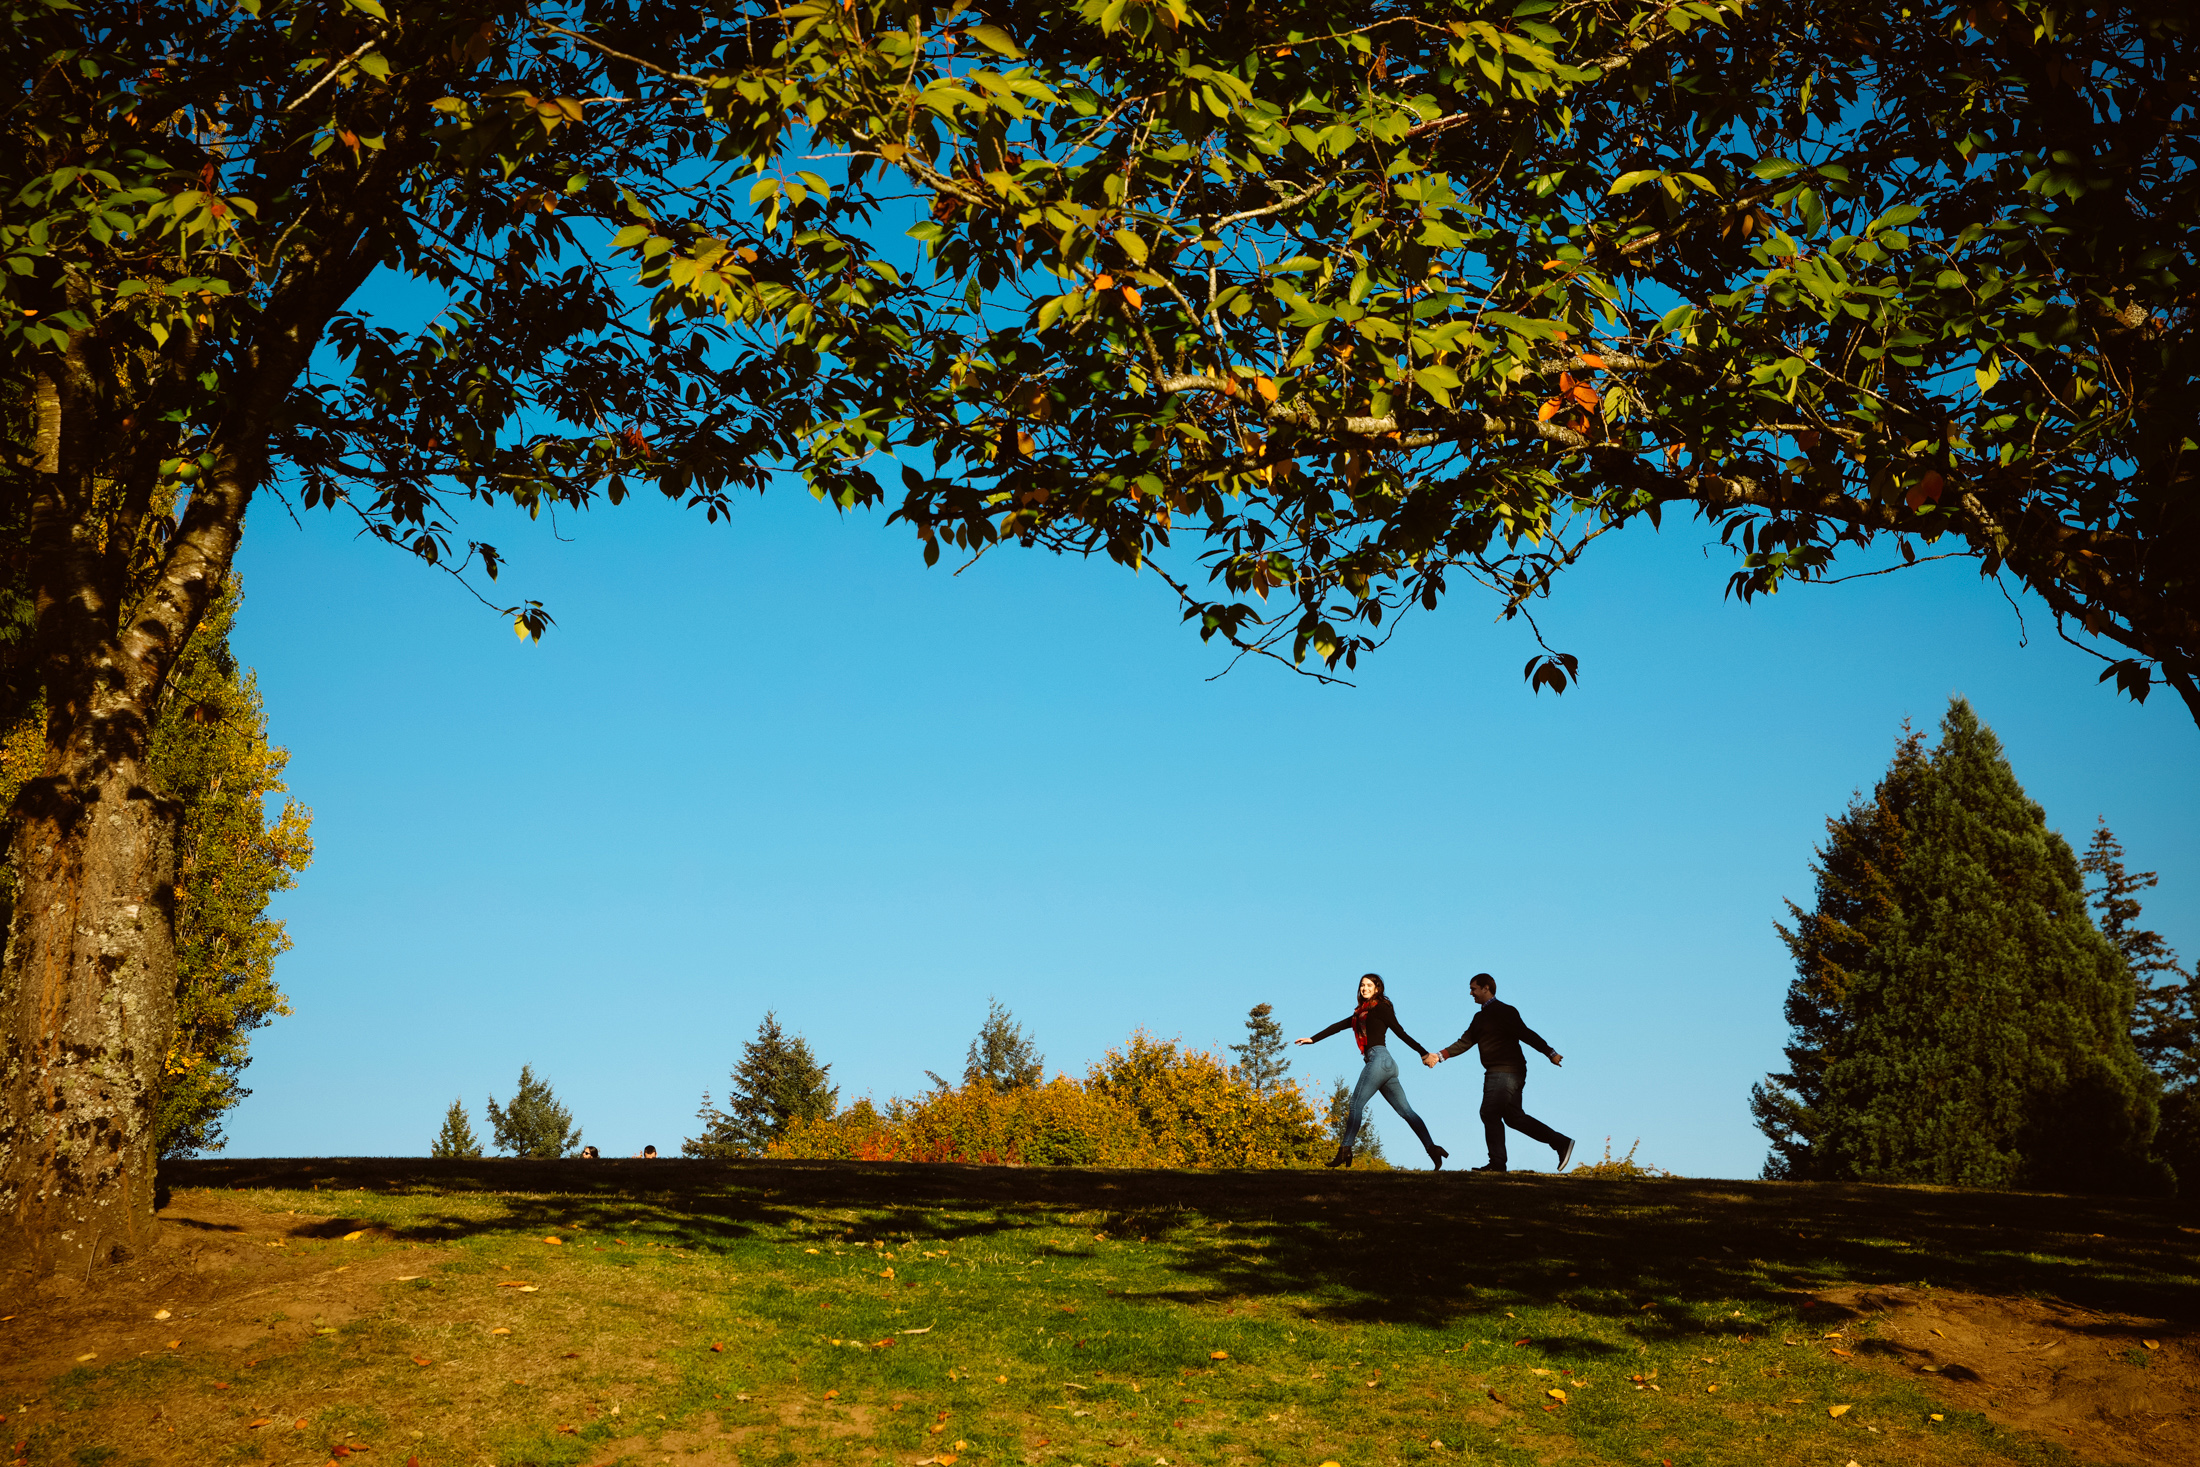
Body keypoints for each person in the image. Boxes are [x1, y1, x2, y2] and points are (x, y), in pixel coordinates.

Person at [1423, 971, 1573, 1174]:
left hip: (1506, 1071)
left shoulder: (1505, 1011)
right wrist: (1438, 1056)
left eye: (1473, 988)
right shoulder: (1479, 1018)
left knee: (1489, 1112)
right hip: (1501, 1072)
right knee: (1514, 1118)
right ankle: (1560, 1142)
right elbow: (1464, 1042)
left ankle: (1497, 1164)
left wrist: (1550, 1052)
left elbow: (1526, 1033)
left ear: (1486, 988)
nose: (1471, 993)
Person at [1295, 973, 1449, 1170]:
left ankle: (1345, 1150)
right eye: (1362, 985)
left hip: (1379, 1060)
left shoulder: (1381, 1008)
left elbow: (1400, 1032)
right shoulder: (1360, 1012)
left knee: (1355, 1103)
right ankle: (1433, 1149)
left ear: (1377, 989)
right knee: (1406, 1111)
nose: (1364, 988)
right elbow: (1338, 1026)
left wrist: (1424, 1053)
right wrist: (1312, 1039)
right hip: (1384, 1064)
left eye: (1369, 985)